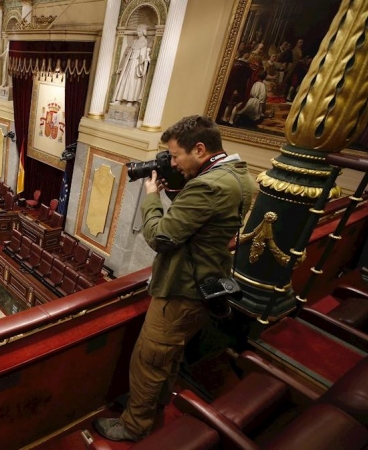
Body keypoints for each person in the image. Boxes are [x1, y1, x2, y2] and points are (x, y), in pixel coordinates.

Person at [94, 115, 256, 442]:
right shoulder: (238, 176)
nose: (173, 162)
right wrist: (176, 190)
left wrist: (152, 194)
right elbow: (200, 222)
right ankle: (153, 403)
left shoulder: (208, 186)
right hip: (205, 284)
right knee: (169, 357)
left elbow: (162, 238)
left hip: (181, 289)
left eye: (175, 155)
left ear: (199, 149)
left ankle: (134, 425)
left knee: (149, 360)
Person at [112, 24, 151, 104]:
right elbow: (129, 54)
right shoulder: (135, 41)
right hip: (129, 63)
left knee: (133, 82)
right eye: (137, 31)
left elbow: (143, 56)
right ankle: (120, 99)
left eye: (139, 31)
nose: (138, 32)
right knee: (125, 80)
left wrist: (143, 61)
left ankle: (130, 100)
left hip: (137, 64)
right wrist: (123, 66)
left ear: (143, 32)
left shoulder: (144, 42)